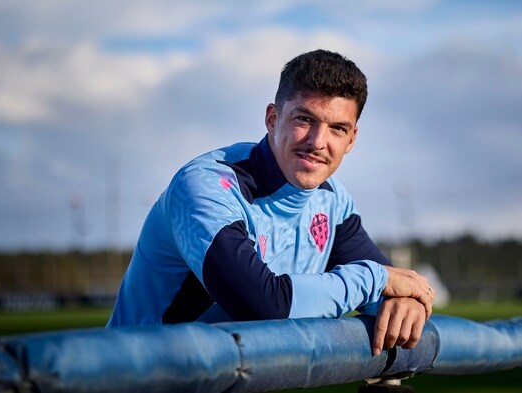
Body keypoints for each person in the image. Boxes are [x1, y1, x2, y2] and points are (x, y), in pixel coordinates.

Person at [107, 49, 435, 356]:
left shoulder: (332, 201)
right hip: (132, 378)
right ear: (272, 119)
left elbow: (393, 289)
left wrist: (407, 302)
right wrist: (378, 280)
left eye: (337, 128)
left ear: (351, 139)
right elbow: (262, 307)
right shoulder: (206, 188)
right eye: (304, 119)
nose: (318, 142)